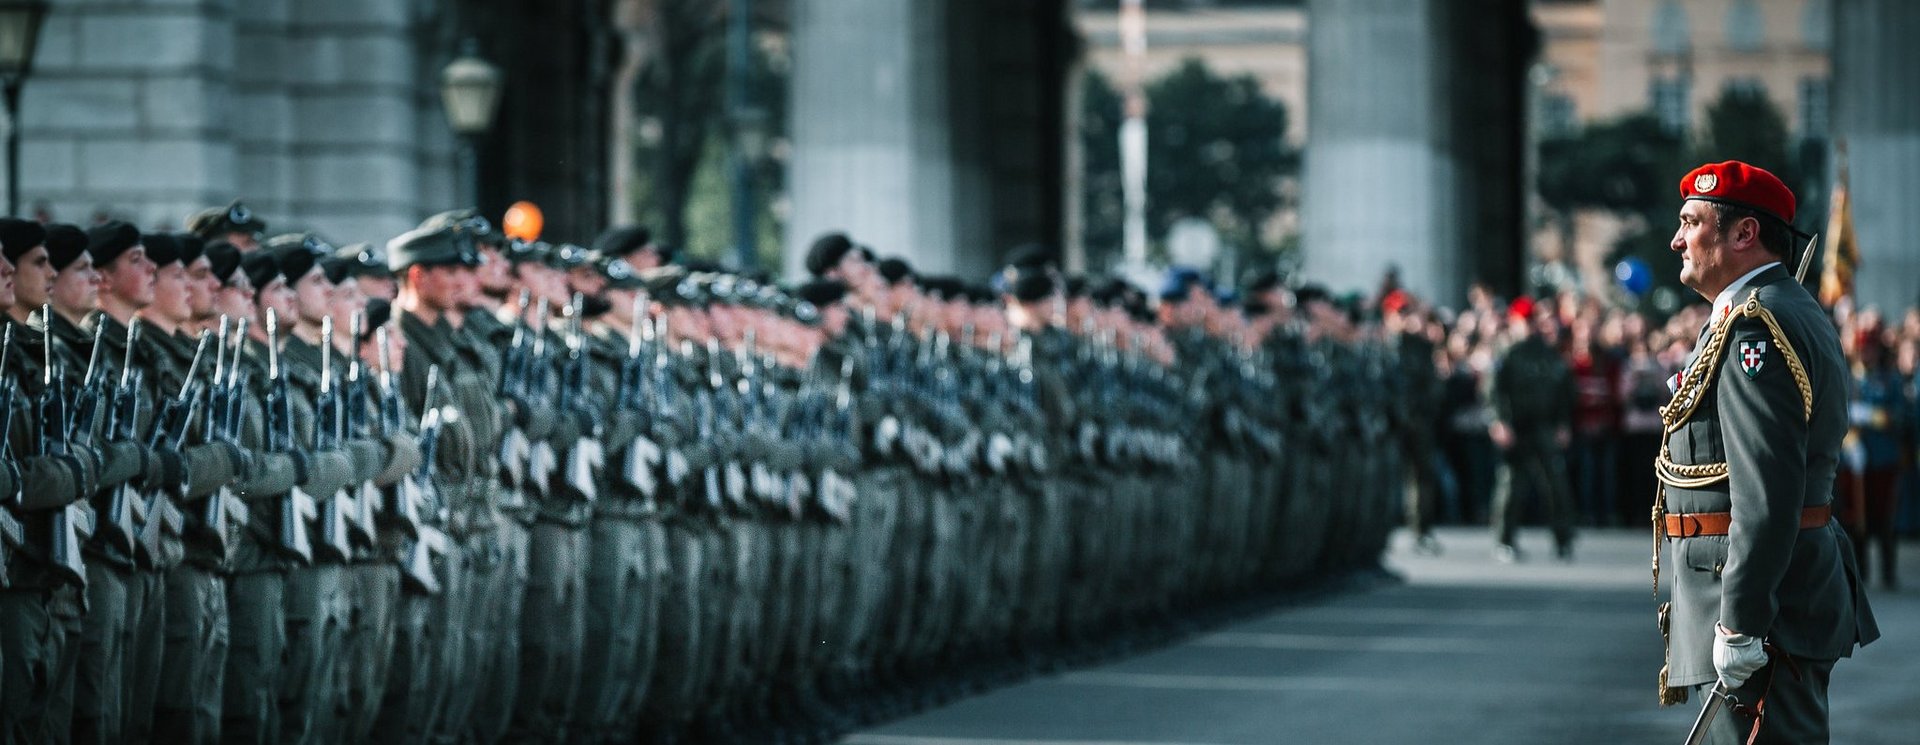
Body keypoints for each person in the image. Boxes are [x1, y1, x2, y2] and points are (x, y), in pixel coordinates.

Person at [1655, 160, 1878, 742]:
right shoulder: (1757, 312)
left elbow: (1766, 494)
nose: (1677, 239)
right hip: (1768, 599)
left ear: (1743, 233)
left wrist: (1741, 622)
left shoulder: (1757, 325)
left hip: (1765, 611)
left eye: (1691, 222)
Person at [1486, 299, 1576, 562]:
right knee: (1511, 485)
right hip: (1516, 427)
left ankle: (1563, 538)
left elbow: (1564, 391)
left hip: (1543, 426)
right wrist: (1498, 421)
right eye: (1522, 321)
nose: (1527, 326)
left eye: (1530, 321)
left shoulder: (1547, 352)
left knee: (1555, 484)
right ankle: (1504, 540)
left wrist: (1563, 423)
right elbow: (1492, 391)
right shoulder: (1505, 353)